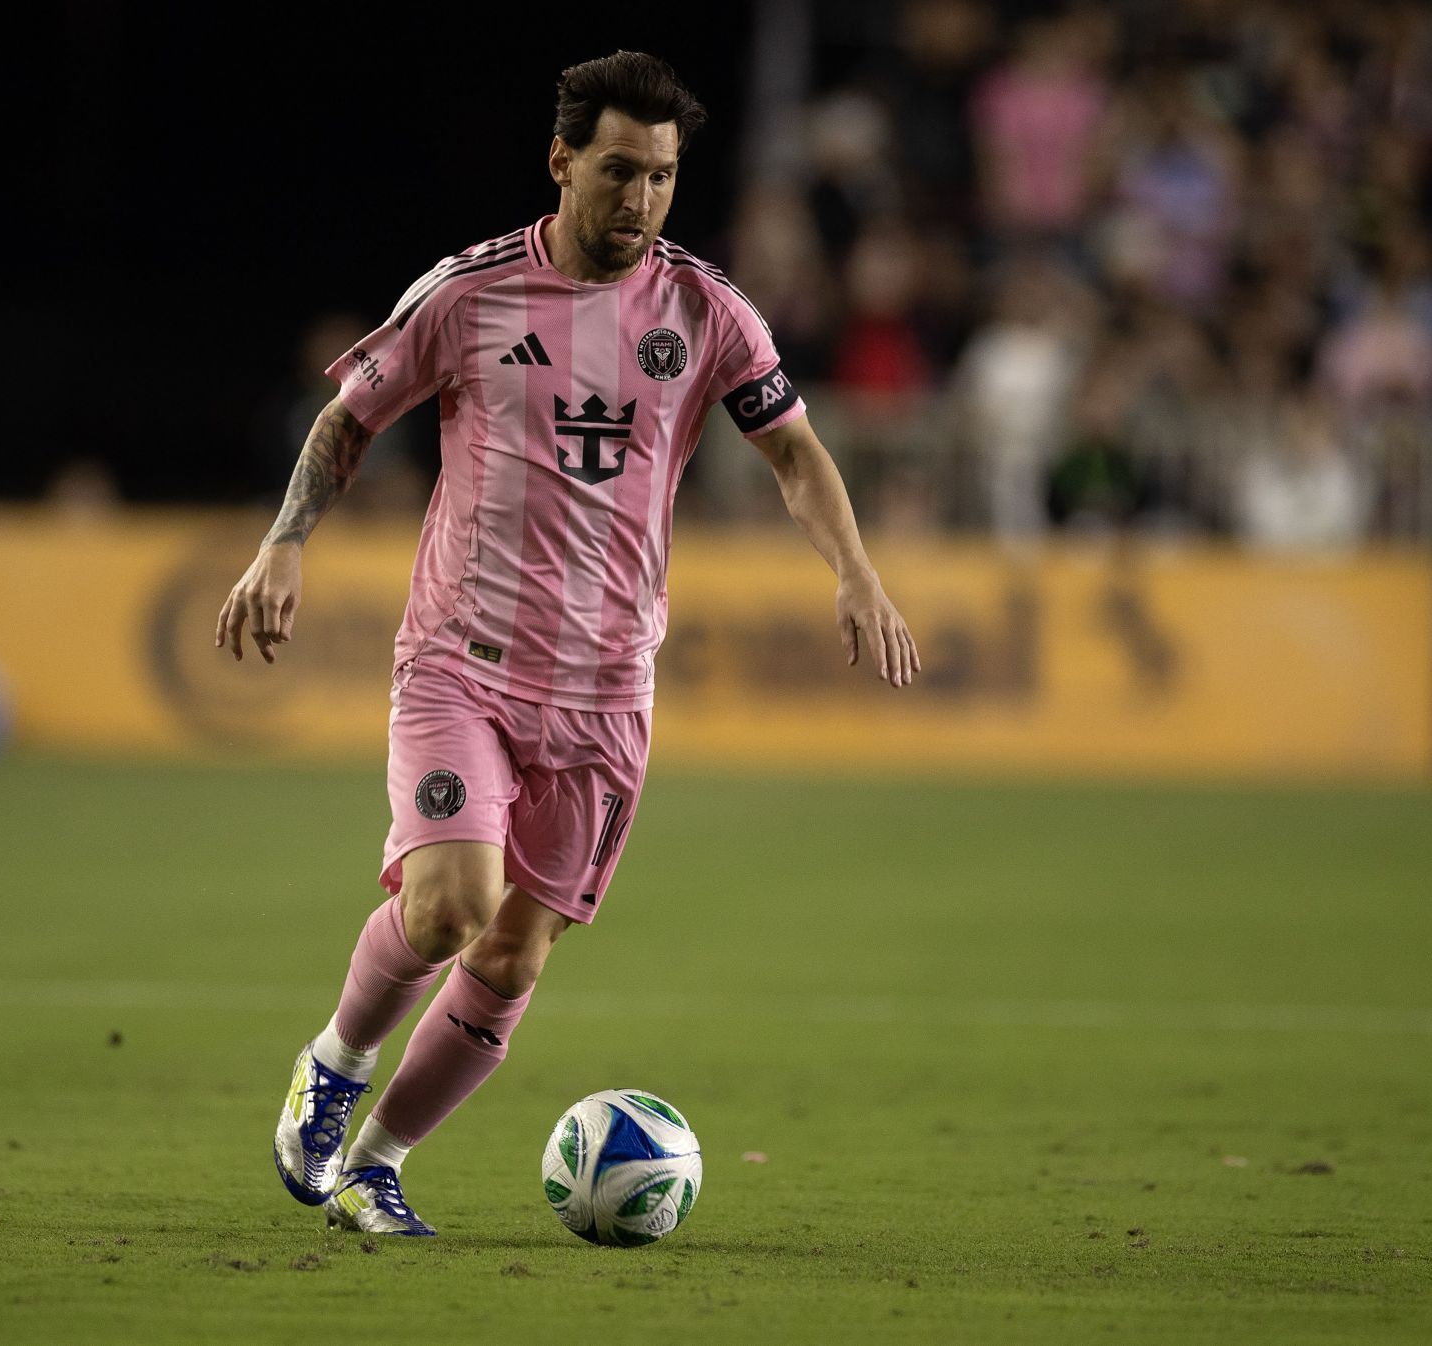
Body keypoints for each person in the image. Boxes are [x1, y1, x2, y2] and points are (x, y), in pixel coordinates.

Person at [215, 52, 920, 1237]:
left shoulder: (705, 310)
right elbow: (348, 418)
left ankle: (376, 1164)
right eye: (618, 170)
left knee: (512, 956)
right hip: (463, 662)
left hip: (605, 692)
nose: (641, 199)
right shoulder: (470, 293)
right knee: (451, 903)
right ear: (561, 161)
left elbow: (795, 451)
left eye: (662, 176)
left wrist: (855, 569)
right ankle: (333, 1066)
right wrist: (284, 543)